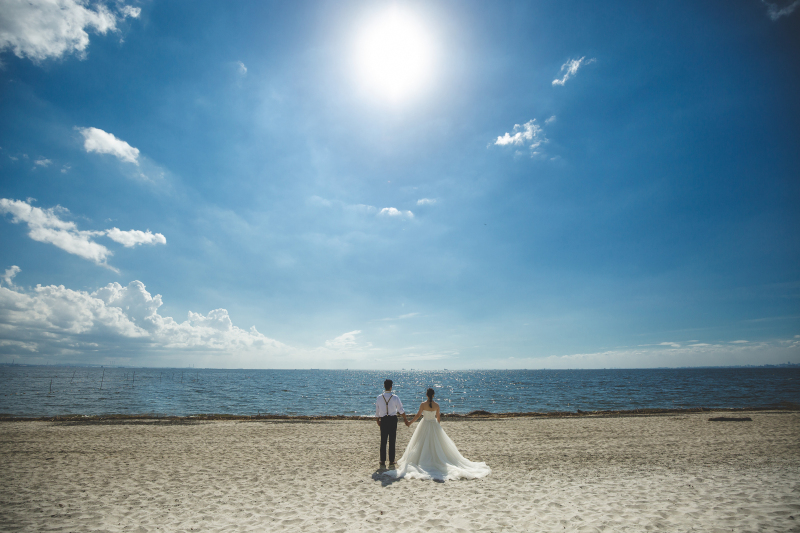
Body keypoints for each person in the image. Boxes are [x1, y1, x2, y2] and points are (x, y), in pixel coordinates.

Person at [387, 388, 491, 481]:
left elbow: (418, 415)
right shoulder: (437, 405)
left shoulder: (423, 404)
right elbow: (438, 418)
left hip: (424, 425)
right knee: (435, 445)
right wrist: (437, 427)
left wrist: (409, 422)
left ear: (427, 395)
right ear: (433, 395)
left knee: (421, 444)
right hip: (433, 425)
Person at [375, 379, 410, 469]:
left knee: (383, 440)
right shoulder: (395, 397)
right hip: (392, 419)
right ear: (391, 387)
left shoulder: (379, 397)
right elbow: (401, 410)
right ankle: (391, 460)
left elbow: (377, 411)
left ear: (384, 386)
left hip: (383, 419)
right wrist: (405, 419)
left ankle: (382, 460)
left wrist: (377, 420)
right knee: (392, 440)